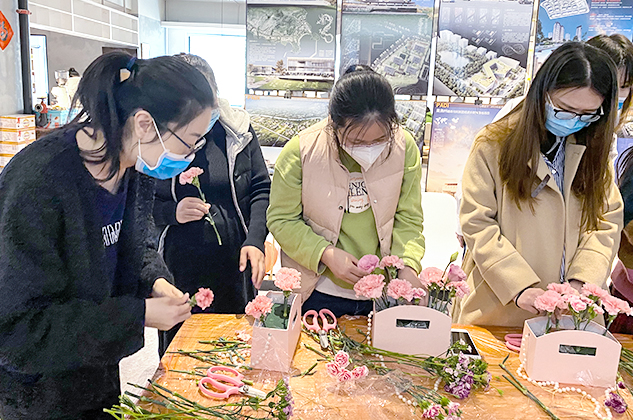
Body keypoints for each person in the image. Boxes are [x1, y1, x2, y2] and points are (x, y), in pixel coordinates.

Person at [0, 52, 216, 419]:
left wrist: (155, 281)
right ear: (145, 124)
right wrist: (138, 315)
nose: (191, 155)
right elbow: (19, 330)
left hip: (96, 375)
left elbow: (136, 243)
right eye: (190, 141)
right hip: (40, 394)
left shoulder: (132, 166)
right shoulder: (38, 182)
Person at [454, 42, 624, 327]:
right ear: (542, 92)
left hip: (572, 315)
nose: (574, 121)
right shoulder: (494, 143)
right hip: (501, 308)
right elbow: (477, 222)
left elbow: (606, 221)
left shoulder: (594, 147)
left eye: (587, 114)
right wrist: (519, 286)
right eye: (565, 110)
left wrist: (582, 281)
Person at [267, 65, 425, 318]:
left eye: (380, 140)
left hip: (382, 292)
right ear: (333, 123)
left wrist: (407, 265)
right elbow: (281, 219)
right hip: (318, 289)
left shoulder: (403, 148)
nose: (369, 149)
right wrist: (325, 253)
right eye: (357, 141)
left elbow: (409, 218)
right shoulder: (301, 152)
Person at [154, 54, 270, 355]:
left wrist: (256, 239)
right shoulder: (158, 138)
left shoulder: (237, 130)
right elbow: (138, 205)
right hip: (180, 266)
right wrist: (172, 212)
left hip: (235, 262)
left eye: (209, 99)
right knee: (182, 352)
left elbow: (260, 187)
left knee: (238, 346)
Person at [594, 35, 633, 333]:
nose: (616, 93)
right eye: (609, 82)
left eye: (625, 86)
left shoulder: (611, 129)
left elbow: (608, 211)